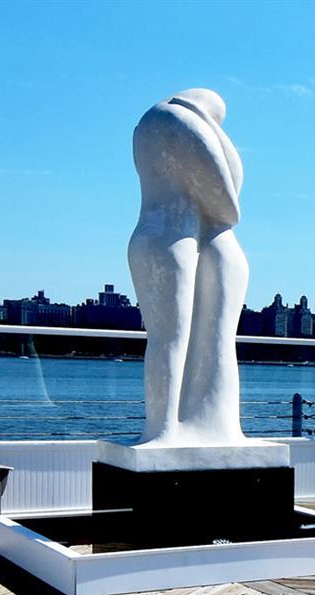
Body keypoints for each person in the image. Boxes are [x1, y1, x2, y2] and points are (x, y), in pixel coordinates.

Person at [128, 88, 249, 447]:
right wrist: (218, 137)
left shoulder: (144, 127)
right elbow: (227, 207)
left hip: (159, 235)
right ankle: (166, 430)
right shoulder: (180, 121)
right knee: (188, 339)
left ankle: (166, 429)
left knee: (169, 338)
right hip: (175, 236)